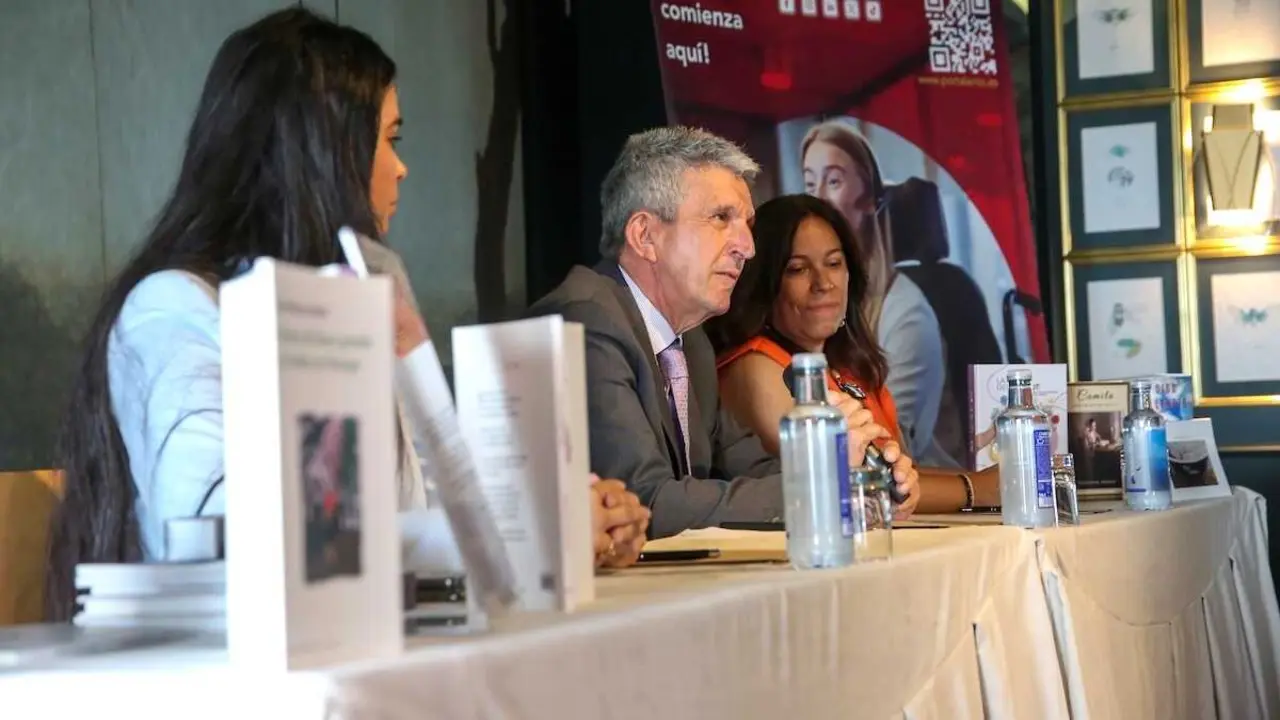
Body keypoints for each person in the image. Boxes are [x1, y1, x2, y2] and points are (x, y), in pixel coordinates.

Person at [45, 8, 645, 620]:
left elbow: (420, 500)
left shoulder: (352, 305)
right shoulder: (175, 306)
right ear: (321, 151)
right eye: (391, 139)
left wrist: (551, 520)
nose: (402, 167)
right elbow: (219, 531)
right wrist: (528, 540)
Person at [528, 126, 919, 538]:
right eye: (721, 218)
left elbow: (751, 468)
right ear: (645, 236)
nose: (747, 247)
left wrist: (861, 480)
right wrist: (821, 485)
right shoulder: (586, 321)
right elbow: (645, 500)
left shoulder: (688, 342)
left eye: (746, 224)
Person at [706, 194, 999, 514]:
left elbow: (904, 478)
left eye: (833, 264)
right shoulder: (756, 368)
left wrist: (984, 481)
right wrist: (978, 489)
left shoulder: (850, 366)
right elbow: (852, 486)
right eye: (797, 269)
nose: (823, 283)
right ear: (764, 284)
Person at [800, 121, 959, 467]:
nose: (818, 199)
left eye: (834, 181)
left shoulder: (906, 312)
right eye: (810, 183)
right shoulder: (800, 308)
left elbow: (893, 448)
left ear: (871, 199)